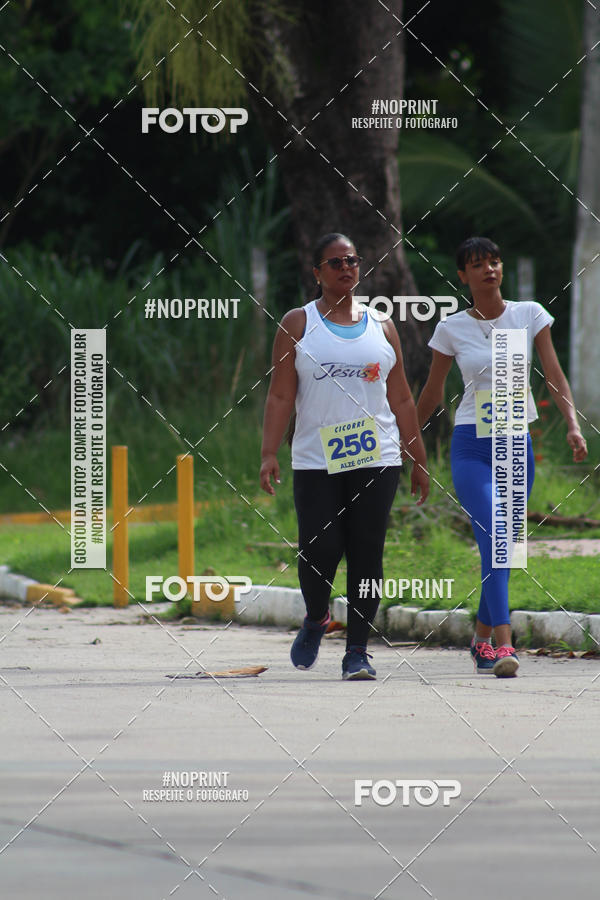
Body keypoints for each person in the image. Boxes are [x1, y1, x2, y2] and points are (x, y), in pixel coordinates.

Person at [260, 232, 429, 680]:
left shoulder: (382, 325)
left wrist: (419, 459)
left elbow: (404, 399)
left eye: (352, 260)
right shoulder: (298, 323)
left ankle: (358, 650)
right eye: (334, 262)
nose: (346, 268)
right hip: (317, 459)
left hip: (377, 455)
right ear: (317, 272)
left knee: (367, 552)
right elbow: (280, 396)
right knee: (320, 549)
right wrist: (268, 453)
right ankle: (317, 616)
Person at [416, 236, 588, 677]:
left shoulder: (528, 315)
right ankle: (506, 645)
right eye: (478, 264)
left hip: (516, 444)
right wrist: (406, 440)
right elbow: (433, 394)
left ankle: (479, 636)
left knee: (506, 546)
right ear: (463, 276)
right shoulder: (450, 328)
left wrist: (572, 423)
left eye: (494, 261)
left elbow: (554, 375)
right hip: (471, 443)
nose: (489, 269)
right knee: (495, 531)